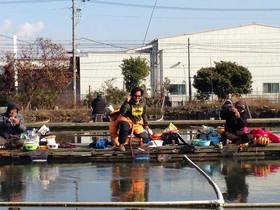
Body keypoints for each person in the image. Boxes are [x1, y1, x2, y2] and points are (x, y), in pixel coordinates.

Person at [117, 87, 150, 152]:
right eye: (135, 96)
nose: (137, 97)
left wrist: (146, 124)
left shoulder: (143, 103)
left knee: (146, 136)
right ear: (132, 96)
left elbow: (144, 114)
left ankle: (143, 147)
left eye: (139, 96)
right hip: (128, 122)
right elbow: (122, 112)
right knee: (124, 126)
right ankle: (121, 144)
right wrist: (126, 102)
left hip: (137, 124)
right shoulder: (128, 103)